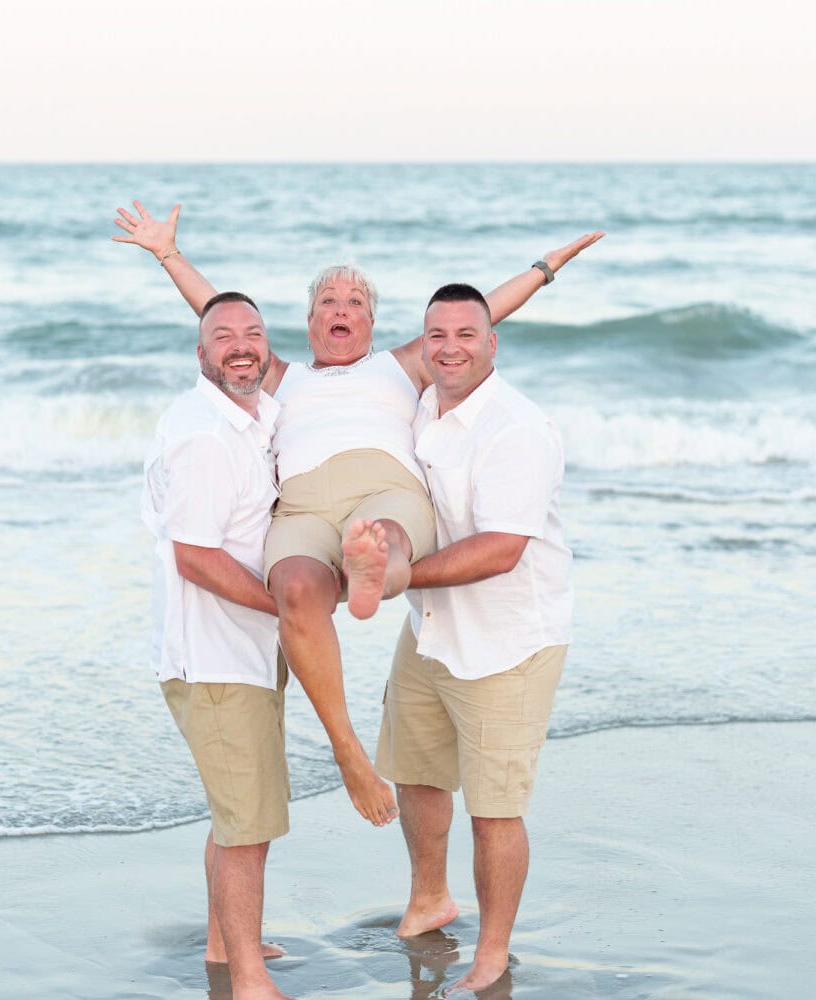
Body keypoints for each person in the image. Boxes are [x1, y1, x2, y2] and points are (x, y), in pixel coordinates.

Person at [116, 201, 599, 829]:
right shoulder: (279, 377)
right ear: (309, 321)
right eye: (328, 302)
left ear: (373, 323)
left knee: (386, 535)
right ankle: (347, 748)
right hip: (305, 507)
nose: (341, 309)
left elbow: (477, 316)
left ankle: (375, 569)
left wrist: (544, 268)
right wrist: (167, 254)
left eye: (355, 303)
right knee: (292, 585)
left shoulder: (400, 367)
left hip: (384, 489)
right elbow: (222, 323)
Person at [367, 283, 574, 994]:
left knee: (494, 810)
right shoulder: (425, 403)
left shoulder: (514, 428)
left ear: (493, 343)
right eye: (437, 335)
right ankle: (430, 897)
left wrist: (401, 576)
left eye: (466, 334)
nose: (450, 347)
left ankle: (492, 951)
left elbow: (501, 549)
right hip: (430, 627)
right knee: (417, 771)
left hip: (507, 641)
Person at [142, 291, 293, 1000]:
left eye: (253, 334)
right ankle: (249, 976)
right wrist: (289, 612)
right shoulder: (204, 435)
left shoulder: (256, 416)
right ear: (200, 354)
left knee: (237, 811)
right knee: (247, 823)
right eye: (223, 336)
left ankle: (224, 941)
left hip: (248, 651)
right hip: (216, 656)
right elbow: (196, 556)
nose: (241, 346)